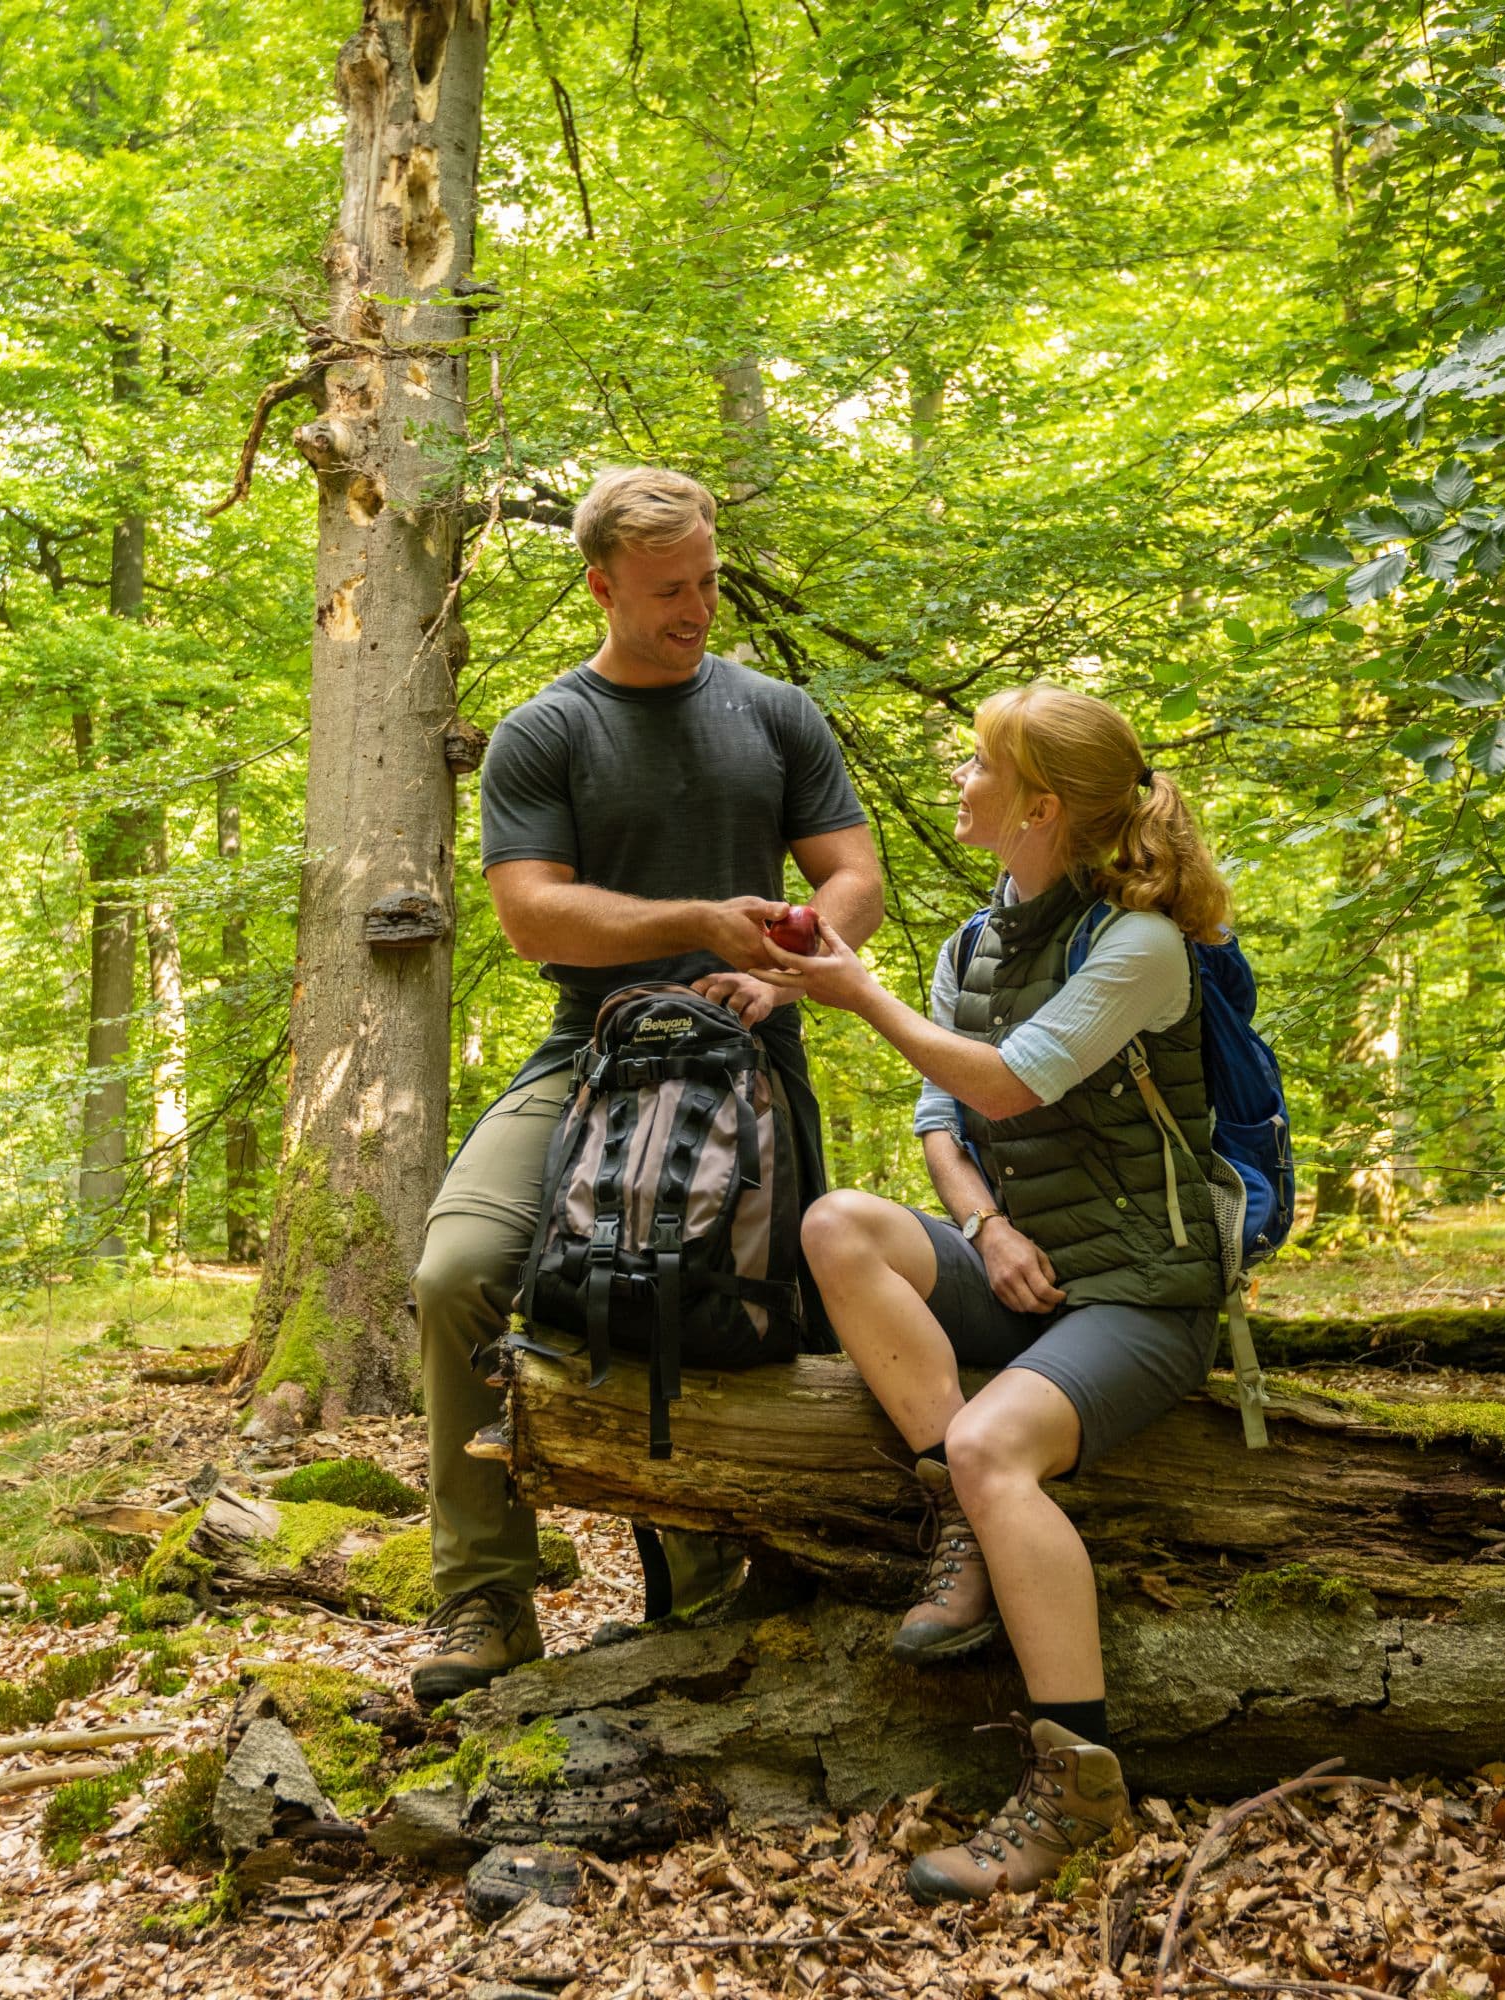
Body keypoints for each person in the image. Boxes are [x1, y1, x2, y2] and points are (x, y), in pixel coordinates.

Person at [408, 465, 885, 1705]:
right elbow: (531, 915)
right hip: (593, 1052)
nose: (699, 606)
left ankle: (718, 1581)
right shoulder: (547, 729)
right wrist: (695, 922)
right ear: (602, 585)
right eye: (671, 588)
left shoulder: (777, 713)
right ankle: (485, 1593)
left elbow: (853, 877)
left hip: (752, 1056)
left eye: (711, 579)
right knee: (459, 1270)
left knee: (730, 1295)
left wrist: (785, 970)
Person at [770, 681, 1235, 1901]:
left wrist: (855, 989)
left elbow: (1012, 1081)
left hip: (1147, 1291)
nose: (957, 776)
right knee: (837, 1224)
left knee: (992, 1441)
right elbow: (945, 1112)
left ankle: (1079, 1787)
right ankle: (963, 1521)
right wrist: (983, 1221)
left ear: (1039, 804)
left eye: (979, 763)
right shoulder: (974, 942)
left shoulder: (1135, 943)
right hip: (1033, 1262)